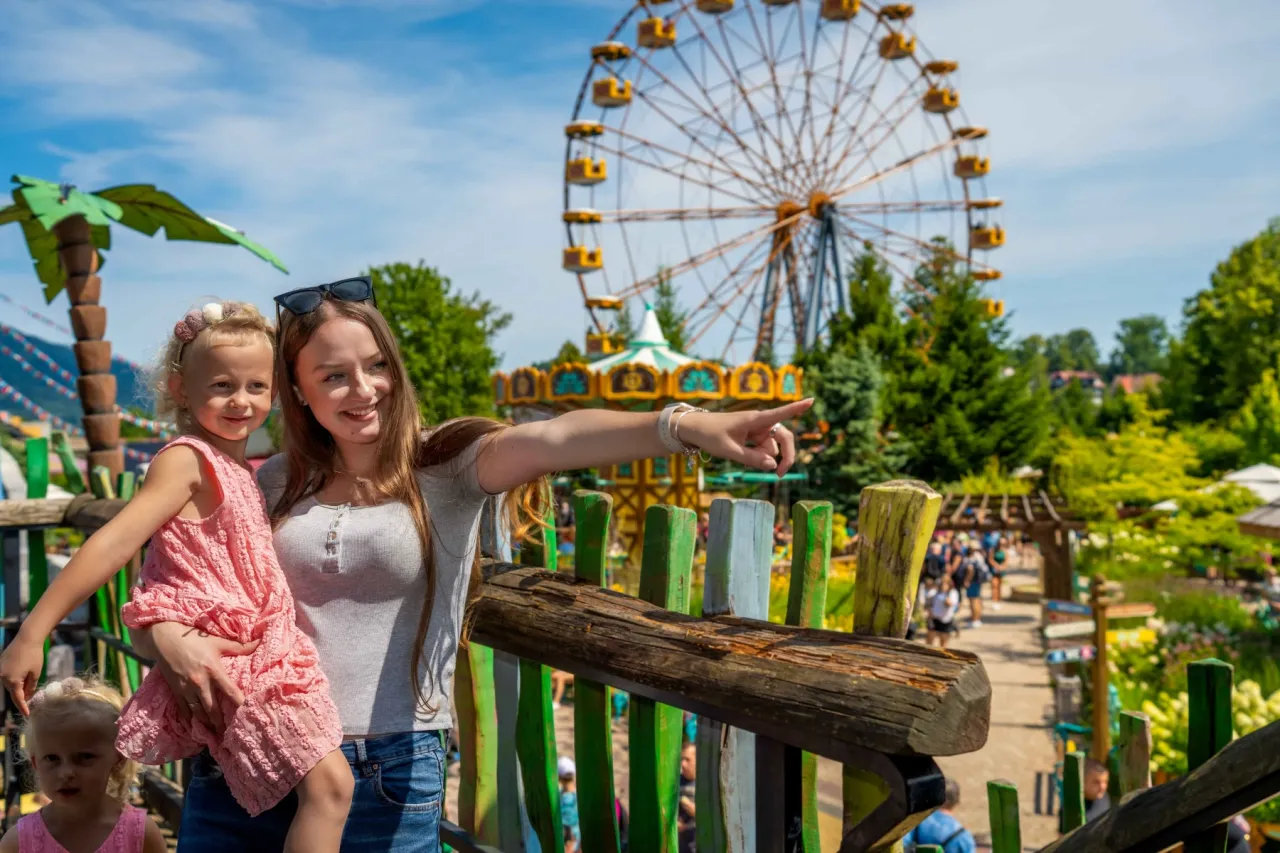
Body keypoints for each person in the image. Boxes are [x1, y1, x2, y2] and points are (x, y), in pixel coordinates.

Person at [129, 276, 812, 851]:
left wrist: (687, 425)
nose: (362, 388)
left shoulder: (445, 466)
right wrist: (162, 636)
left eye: (375, 366)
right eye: (332, 375)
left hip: (385, 766)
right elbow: (173, 587)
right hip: (245, 750)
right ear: (299, 392)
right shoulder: (268, 481)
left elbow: (556, 436)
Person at [0, 302, 352, 853]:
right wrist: (34, 630)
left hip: (252, 650)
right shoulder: (188, 460)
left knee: (315, 792)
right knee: (331, 788)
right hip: (239, 659)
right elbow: (116, 540)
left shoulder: (237, 467)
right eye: (221, 385)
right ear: (180, 390)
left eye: (257, 385)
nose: (241, 400)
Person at [0, 676, 168, 853]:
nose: (66, 772)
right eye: (52, 758)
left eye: (85, 757)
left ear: (118, 757)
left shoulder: (140, 834)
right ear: (35, 763)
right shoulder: (18, 842)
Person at [903, 779, 975, 853]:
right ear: (956, 801)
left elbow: (902, 846)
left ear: (935, 797)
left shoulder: (915, 822)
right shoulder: (964, 837)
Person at [926, 576, 961, 649]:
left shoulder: (953, 593)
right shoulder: (935, 592)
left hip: (946, 620)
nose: (942, 586)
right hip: (934, 619)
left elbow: (951, 604)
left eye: (944, 584)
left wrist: (946, 596)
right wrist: (929, 611)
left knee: (943, 642)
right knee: (929, 640)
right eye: (941, 583)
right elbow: (928, 603)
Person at [558, 756, 580, 853]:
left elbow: (568, 827)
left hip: (568, 847)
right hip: (578, 843)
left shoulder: (564, 799)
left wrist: (568, 846)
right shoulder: (578, 796)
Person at [677, 743, 696, 853]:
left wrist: (697, 813)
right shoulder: (676, 783)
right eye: (682, 759)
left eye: (687, 760)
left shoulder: (707, 786)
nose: (683, 764)